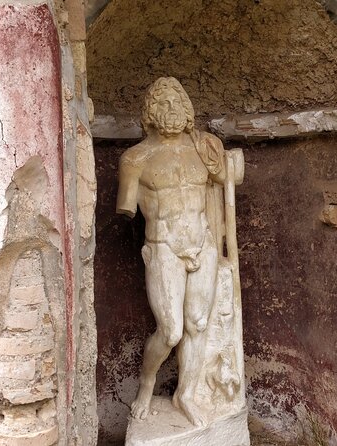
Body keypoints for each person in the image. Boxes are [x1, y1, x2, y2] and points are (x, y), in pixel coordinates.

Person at [116, 77, 226, 427]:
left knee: (197, 324)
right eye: (162, 103)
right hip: (164, 247)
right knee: (171, 330)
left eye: (177, 102)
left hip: (203, 243)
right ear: (149, 112)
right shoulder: (135, 158)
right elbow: (126, 206)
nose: (171, 109)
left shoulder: (205, 147)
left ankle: (186, 393)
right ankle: (147, 385)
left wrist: (222, 162)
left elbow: (226, 179)